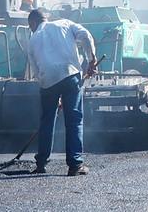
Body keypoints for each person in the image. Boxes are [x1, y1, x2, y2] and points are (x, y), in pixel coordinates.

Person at [27, 9, 98, 176]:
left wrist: (49, 87)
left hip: (47, 81)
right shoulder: (64, 24)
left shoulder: (32, 39)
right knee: (74, 120)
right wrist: (91, 59)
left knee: (47, 121)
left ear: (32, 23)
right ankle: (75, 165)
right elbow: (86, 35)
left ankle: (41, 163)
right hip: (70, 75)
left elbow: (35, 70)